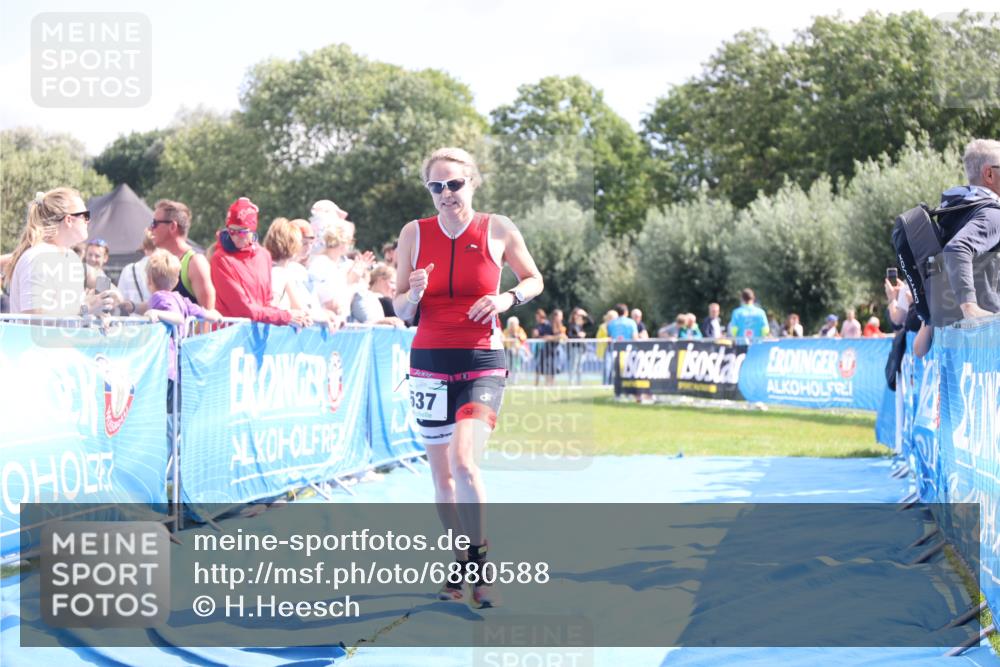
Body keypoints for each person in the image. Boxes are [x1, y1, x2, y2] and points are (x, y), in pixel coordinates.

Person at [392, 147, 543, 609]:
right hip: (429, 364)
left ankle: (480, 561)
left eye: (454, 184)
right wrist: (413, 294)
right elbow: (400, 308)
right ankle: (461, 560)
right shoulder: (414, 233)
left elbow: (534, 279)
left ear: (472, 182)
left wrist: (506, 299)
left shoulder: (498, 228)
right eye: (436, 186)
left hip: (482, 361)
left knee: (464, 462)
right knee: (441, 477)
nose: (446, 194)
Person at [6, 188, 121, 316]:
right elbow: (34, 316)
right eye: (85, 216)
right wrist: (86, 307)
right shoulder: (38, 257)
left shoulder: (70, 257)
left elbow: (97, 281)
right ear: (69, 220)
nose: (88, 221)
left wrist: (105, 303)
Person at [210, 197, 311, 326]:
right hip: (230, 334)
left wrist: (293, 317)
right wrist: (285, 316)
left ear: (252, 229)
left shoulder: (264, 256)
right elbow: (242, 309)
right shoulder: (221, 259)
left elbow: (267, 304)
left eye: (241, 232)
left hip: (257, 334)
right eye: (231, 231)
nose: (235, 237)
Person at [938, 139, 1000, 320]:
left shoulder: (956, 211)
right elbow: (957, 248)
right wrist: (970, 307)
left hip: (954, 327)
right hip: (987, 327)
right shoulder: (993, 214)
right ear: (989, 174)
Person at [149, 199, 216, 309]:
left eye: (154, 223)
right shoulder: (162, 260)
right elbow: (159, 303)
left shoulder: (195, 263)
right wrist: (133, 306)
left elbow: (208, 312)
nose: (150, 228)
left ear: (172, 226)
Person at [117, 231, 156, 304]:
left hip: (134, 310)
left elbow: (120, 300)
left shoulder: (128, 269)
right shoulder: (166, 268)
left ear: (145, 249)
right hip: (159, 310)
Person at [566, 307, 592, 385]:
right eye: (577, 314)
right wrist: (578, 336)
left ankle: (579, 383)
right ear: (574, 315)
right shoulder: (571, 325)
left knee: (580, 367)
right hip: (574, 348)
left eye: (580, 315)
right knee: (573, 366)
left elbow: (591, 323)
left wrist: (585, 314)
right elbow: (569, 336)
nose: (579, 316)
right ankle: (571, 383)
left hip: (582, 348)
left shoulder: (581, 325)